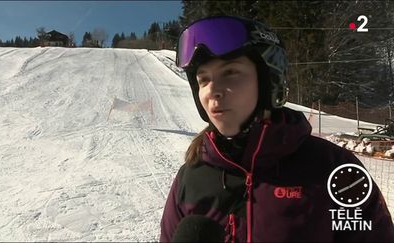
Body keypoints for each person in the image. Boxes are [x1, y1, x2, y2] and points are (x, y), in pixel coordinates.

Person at [160, 15, 394, 242]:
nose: (212, 90)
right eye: (203, 79)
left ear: (269, 81)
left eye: (230, 72)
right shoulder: (189, 178)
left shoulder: (334, 169)